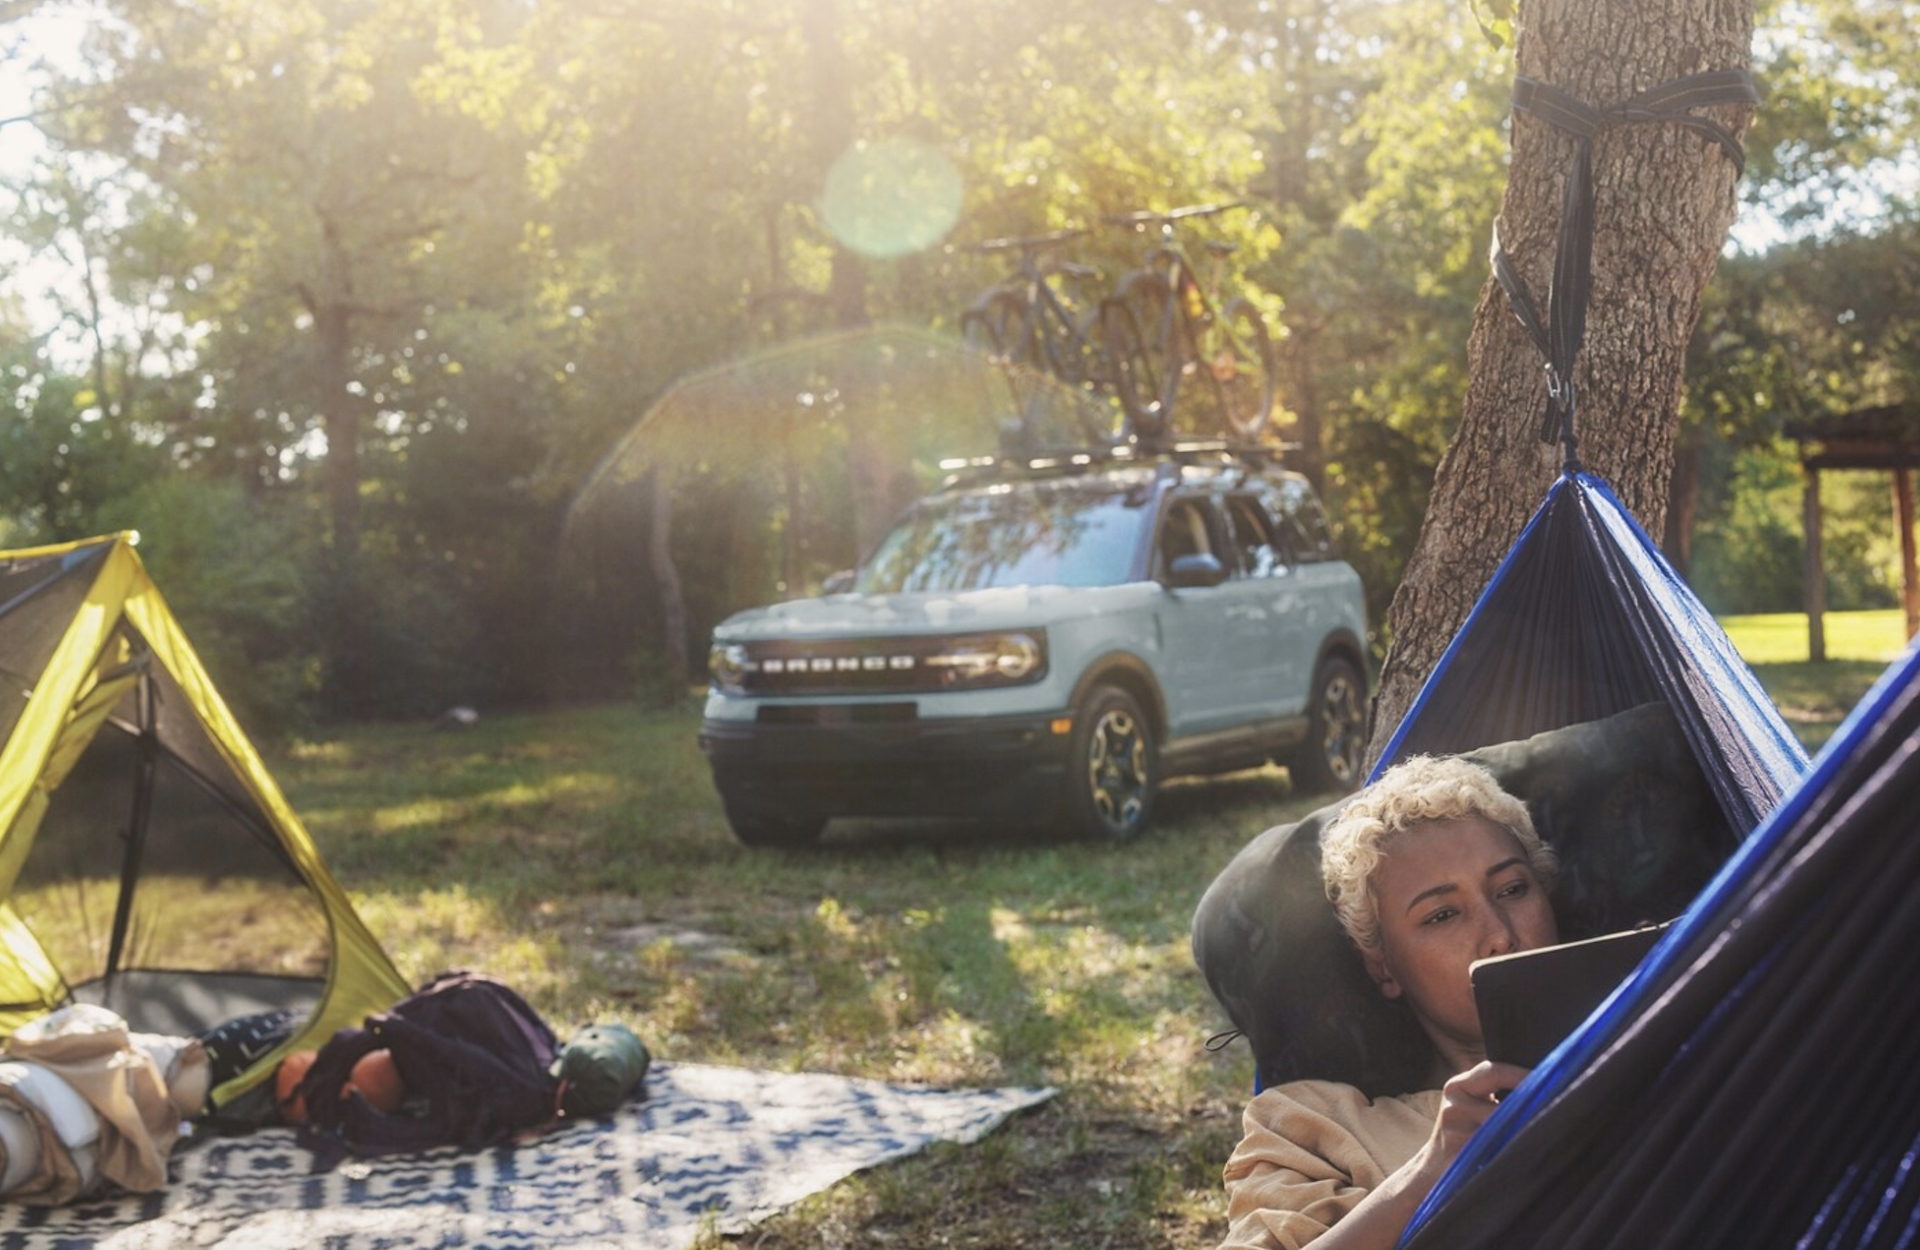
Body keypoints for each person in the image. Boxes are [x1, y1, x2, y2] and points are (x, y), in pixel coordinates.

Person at [1216, 755, 1561, 1250]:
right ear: (1384, 966)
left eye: (1512, 889)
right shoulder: (1318, 1128)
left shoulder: (1668, 1026)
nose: (1500, 937)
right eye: (1442, 915)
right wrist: (1431, 1174)